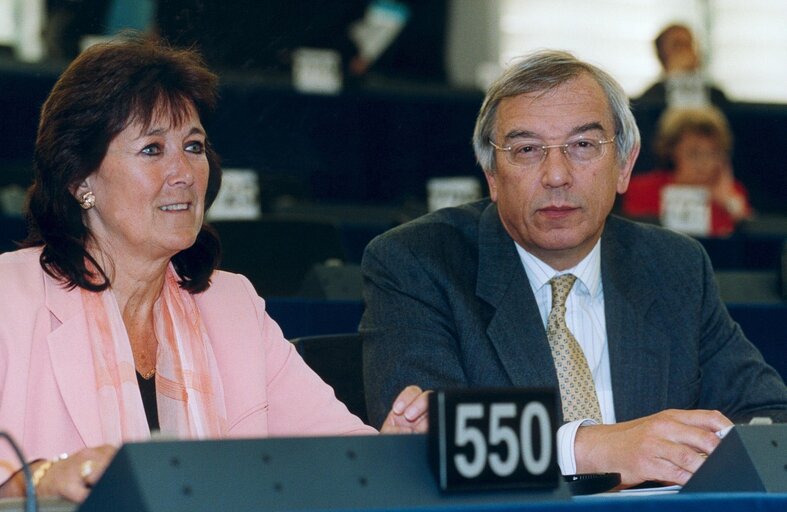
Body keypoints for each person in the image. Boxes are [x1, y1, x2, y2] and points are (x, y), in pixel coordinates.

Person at [0, 35, 429, 504]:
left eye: (194, 145)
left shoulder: (231, 305)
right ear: (79, 179)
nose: (183, 171)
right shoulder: (11, 299)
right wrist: (36, 482)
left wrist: (394, 451)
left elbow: (335, 456)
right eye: (152, 149)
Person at [360, 49, 787, 488]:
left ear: (624, 165)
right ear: (491, 174)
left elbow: (771, 422)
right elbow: (421, 441)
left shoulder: (674, 266)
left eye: (583, 145)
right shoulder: (418, 262)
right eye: (527, 149)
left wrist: (698, 447)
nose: (557, 175)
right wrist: (598, 448)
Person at [621, 107, 752, 236]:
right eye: (694, 153)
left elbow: (749, 238)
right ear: (671, 151)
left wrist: (728, 202)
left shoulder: (731, 193)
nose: (704, 162)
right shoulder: (642, 189)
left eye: (713, 153)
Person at [637, 23, 728, 109]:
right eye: (678, 45)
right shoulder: (650, 100)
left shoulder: (716, 96)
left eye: (689, 44)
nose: (685, 52)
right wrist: (675, 78)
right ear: (661, 54)